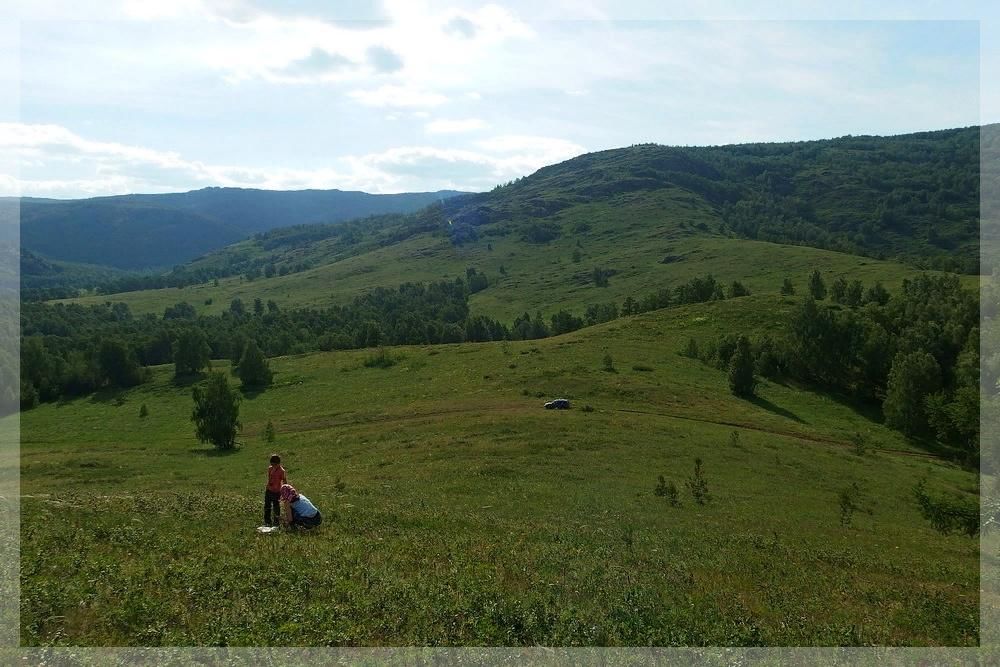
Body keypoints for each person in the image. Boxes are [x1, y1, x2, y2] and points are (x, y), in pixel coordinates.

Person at [264, 454, 287, 527]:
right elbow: (269, 478)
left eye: (274, 465)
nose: (273, 466)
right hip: (269, 490)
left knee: (276, 507)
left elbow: (284, 481)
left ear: (278, 464)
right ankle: (267, 521)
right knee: (267, 506)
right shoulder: (270, 468)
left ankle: (276, 522)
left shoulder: (282, 471)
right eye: (272, 464)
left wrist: (285, 491)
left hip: (277, 492)